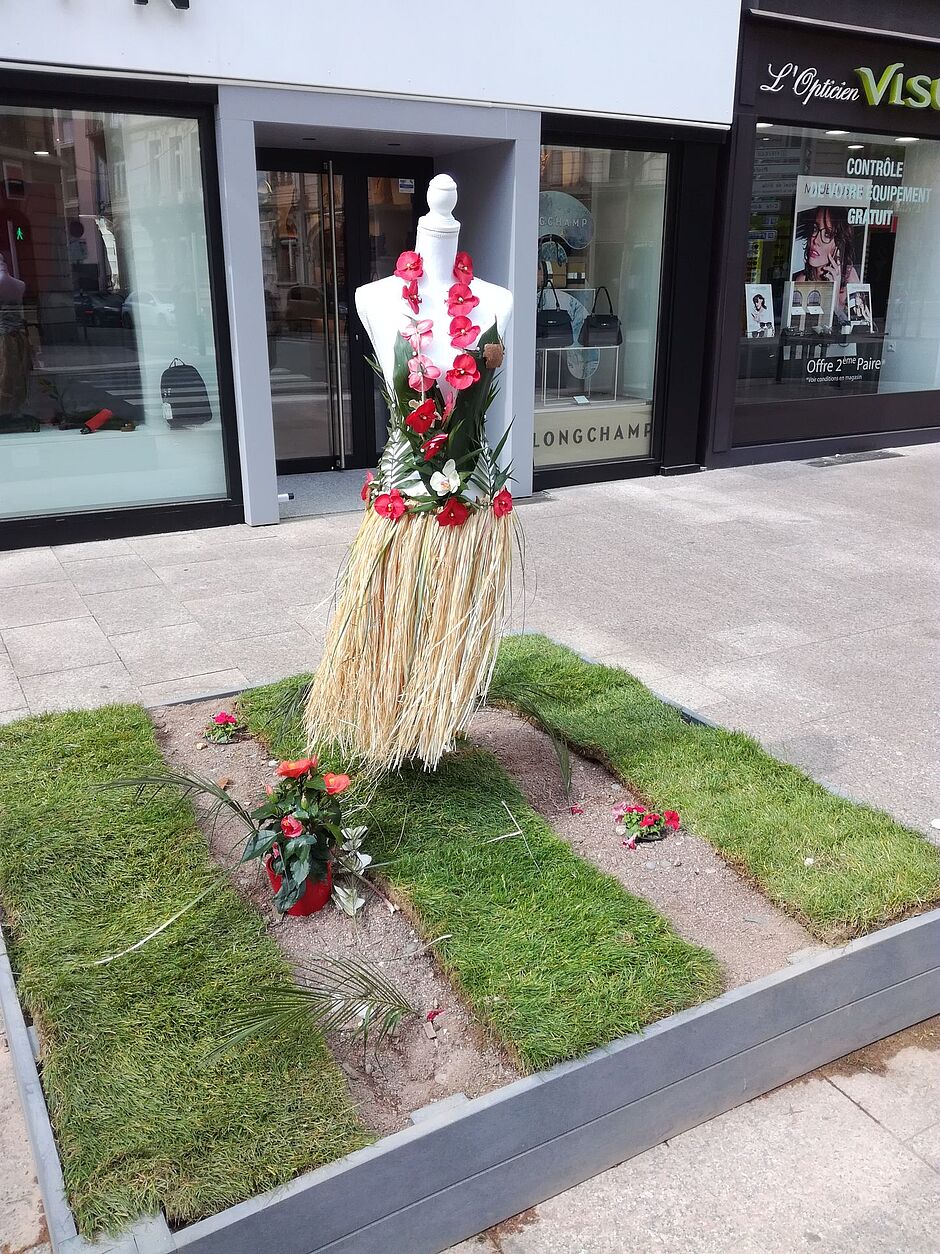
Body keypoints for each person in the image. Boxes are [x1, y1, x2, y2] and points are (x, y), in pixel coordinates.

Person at [792, 206, 860, 323]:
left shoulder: (850, 278)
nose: (815, 239)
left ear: (840, 245)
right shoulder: (803, 280)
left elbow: (856, 329)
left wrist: (835, 297)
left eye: (827, 234)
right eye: (815, 229)